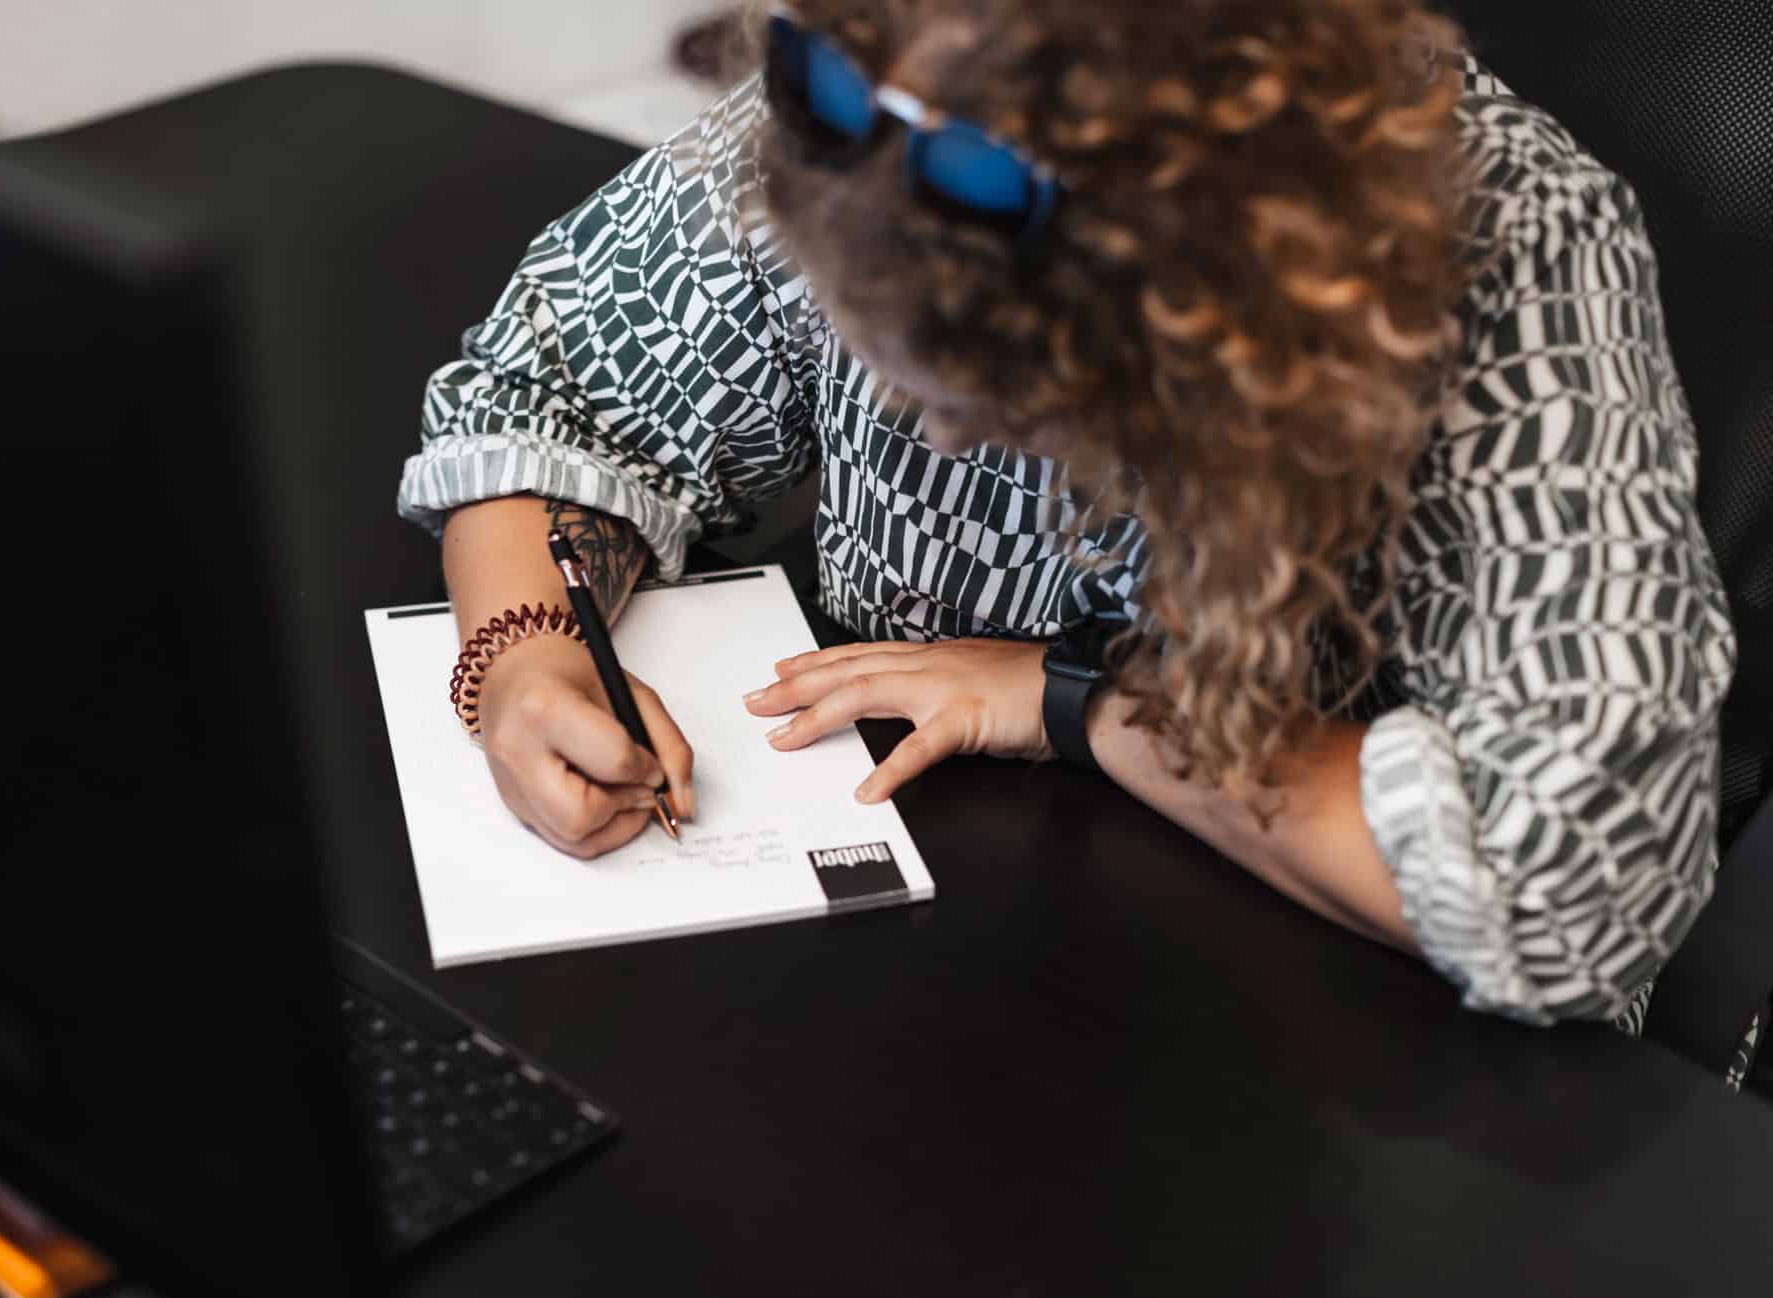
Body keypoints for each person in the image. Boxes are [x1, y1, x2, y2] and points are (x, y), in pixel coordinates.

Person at [399, 0, 1737, 1031]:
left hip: (1331, 1051)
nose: (928, 435)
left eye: (1001, 406)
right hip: (932, 976)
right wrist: (519, 649)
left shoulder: (1514, 242)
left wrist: (1077, 701)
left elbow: (1563, 878)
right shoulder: (879, 82)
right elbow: (555, 380)